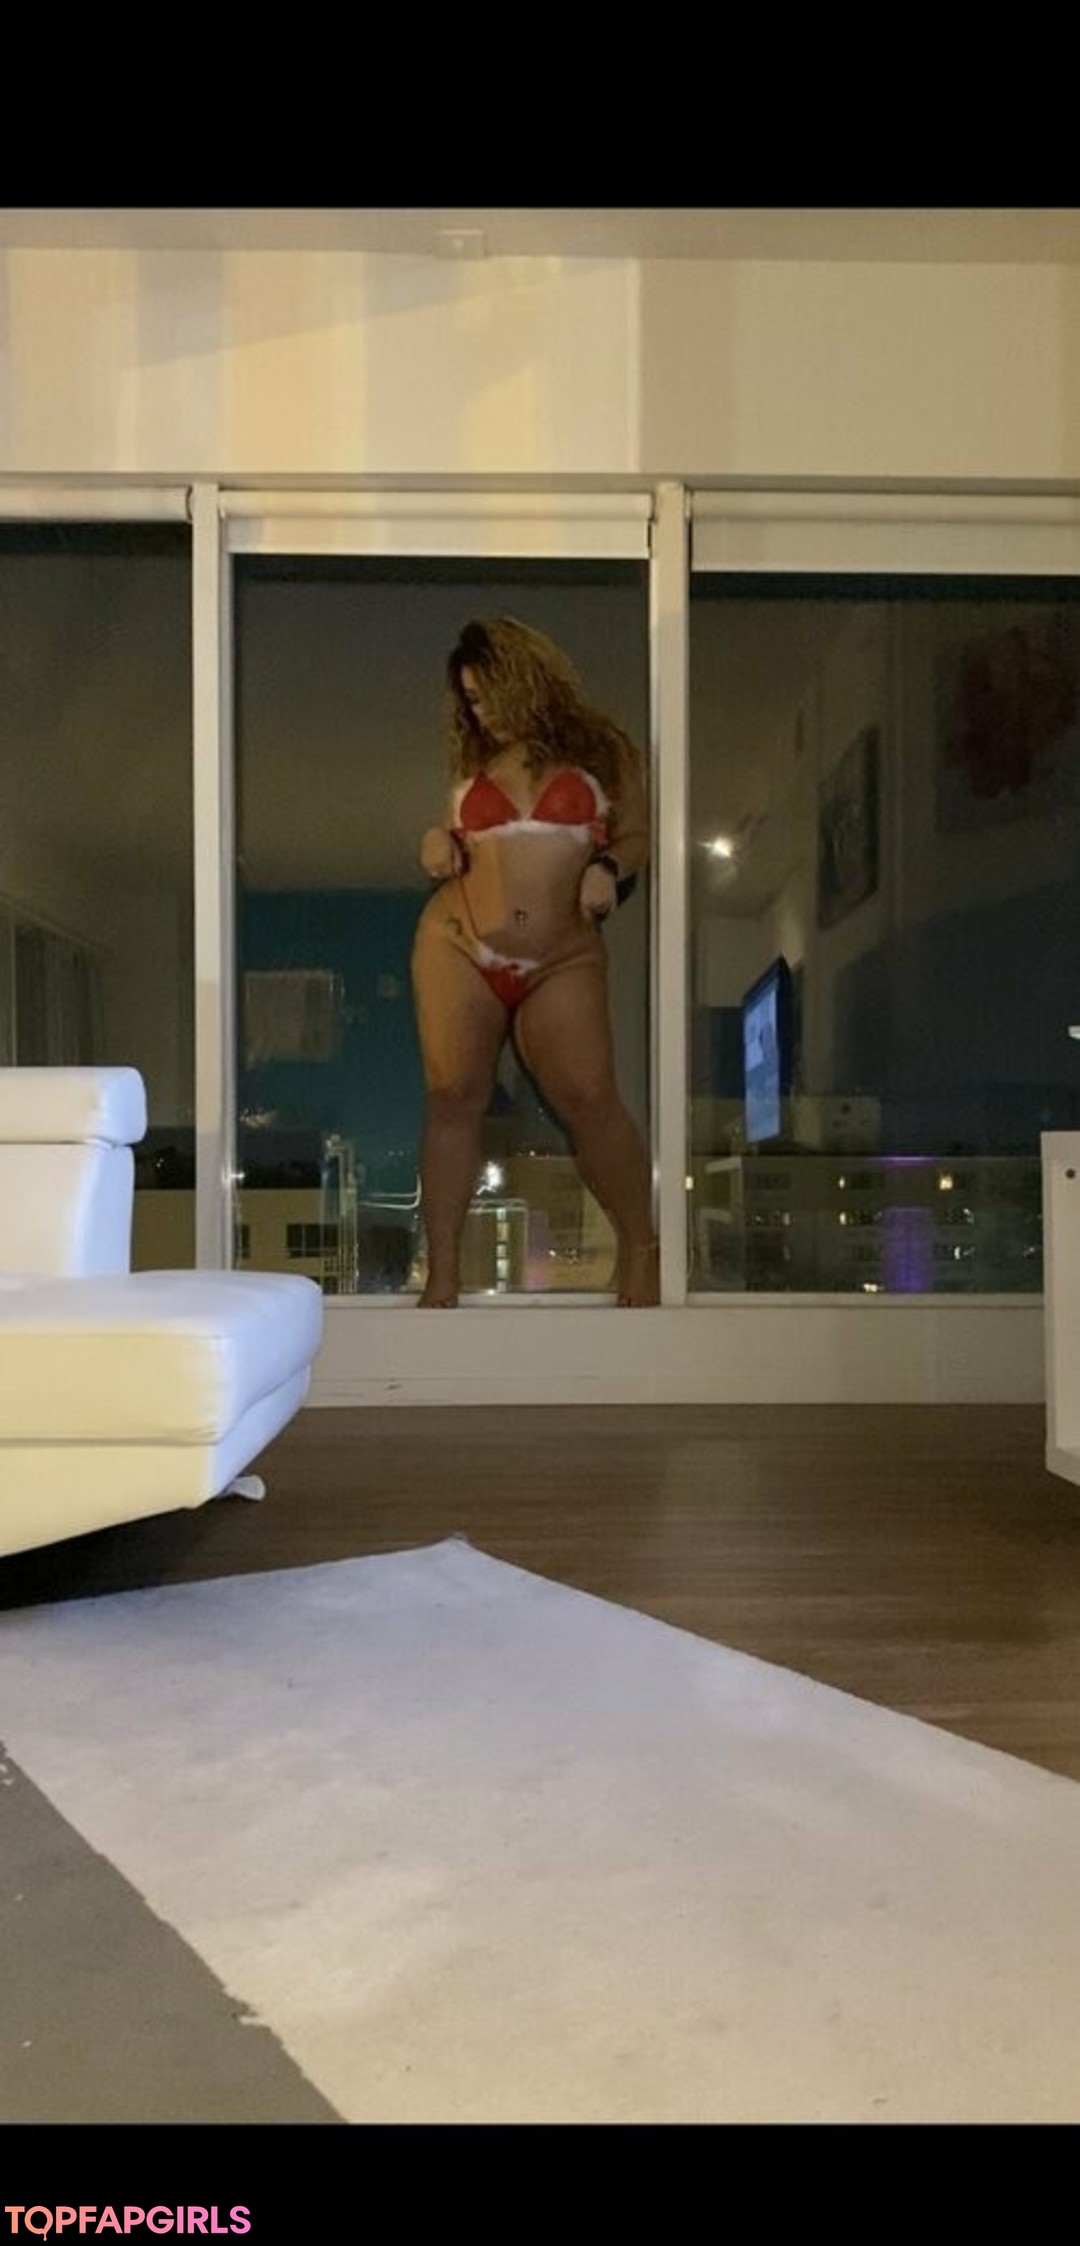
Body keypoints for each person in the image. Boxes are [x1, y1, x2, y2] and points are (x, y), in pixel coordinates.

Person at [411, 615, 658, 1308]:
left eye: (486, 695)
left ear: (522, 678)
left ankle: (643, 1248)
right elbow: (461, 843)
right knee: (453, 1097)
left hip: (561, 953)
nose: (478, 712)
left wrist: (607, 867)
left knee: (591, 1098)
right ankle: (443, 1273)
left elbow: (638, 836)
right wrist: (437, 842)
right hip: (460, 940)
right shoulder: (474, 761)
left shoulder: (604, 749)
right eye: (468, 700)